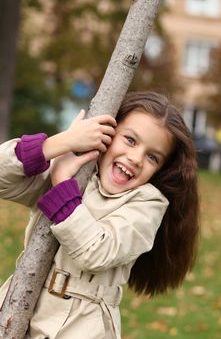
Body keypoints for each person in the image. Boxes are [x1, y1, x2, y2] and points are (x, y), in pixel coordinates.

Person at [0, 91, 199, 339]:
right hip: (19, 307)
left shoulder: (147, 204)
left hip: (81, 326)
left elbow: (96, 251)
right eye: (130, 140)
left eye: (152, 156)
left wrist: (61, 184)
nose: (136, 158)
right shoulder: (76, 167)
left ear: (160, 169)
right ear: (107, 132)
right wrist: (61, 143)